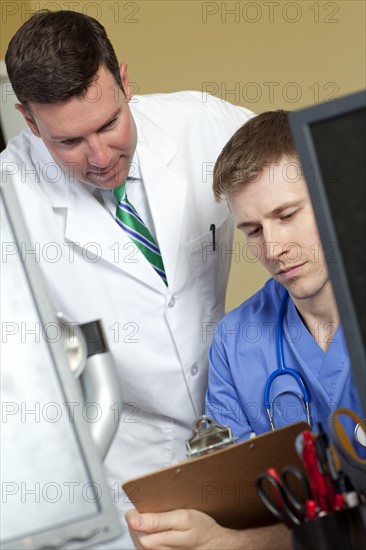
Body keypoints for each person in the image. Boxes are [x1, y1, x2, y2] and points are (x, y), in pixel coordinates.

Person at [1, 9, 254, 549]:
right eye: (68, 142)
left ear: (124, 80)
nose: (99, 157)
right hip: (122, 460)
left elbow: (305, 183)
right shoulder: (9, 202)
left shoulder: (200, 124)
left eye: (110, 123)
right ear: (28, 121)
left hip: (235, 430)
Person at [125, 111, 364, 548]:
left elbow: (238, 539)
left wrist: (247, 543)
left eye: (287, 215)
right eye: (253, 230)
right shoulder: (237, 341)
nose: (273, 250)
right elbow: (228, 506)